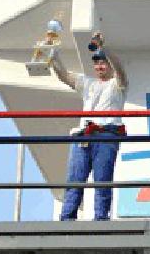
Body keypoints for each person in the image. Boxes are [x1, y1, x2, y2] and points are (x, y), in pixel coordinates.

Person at [50, 33, 128, 220]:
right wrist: (52, 55)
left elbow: (120, 69)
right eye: (97, 63)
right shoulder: (87, 83)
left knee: (102, 180)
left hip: (106, 135)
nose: (99, 66)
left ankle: (101, 219)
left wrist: (104, 47)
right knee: (75, 179)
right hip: (83, 136)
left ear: (108, 65)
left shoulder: (118, 85)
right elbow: (64, 76)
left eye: (103, 63)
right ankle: (67, 218)